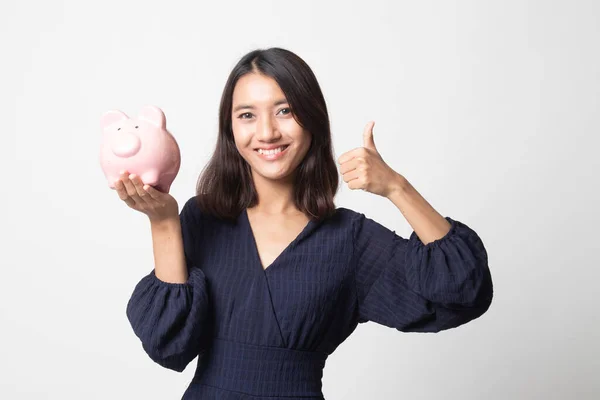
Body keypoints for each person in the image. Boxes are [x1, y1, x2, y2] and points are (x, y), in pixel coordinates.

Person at [117, 47, 494, 400]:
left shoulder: (350, 240)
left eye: (284, 110)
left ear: (312, 120)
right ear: (230, 130)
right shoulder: (204, 218)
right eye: (247, 115)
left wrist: (397, 187)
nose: (266, 132)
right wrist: (163, 221)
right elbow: (166, 344)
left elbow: (461, 293)